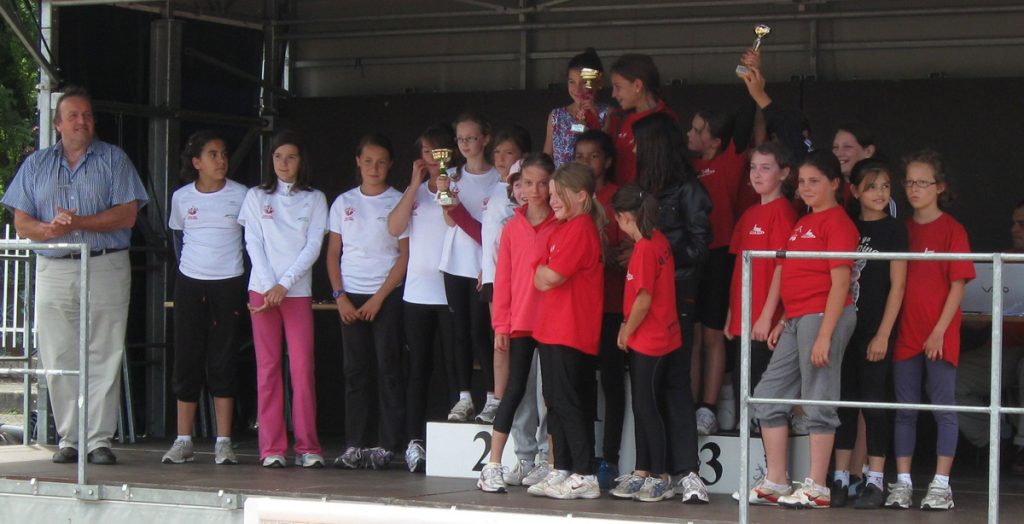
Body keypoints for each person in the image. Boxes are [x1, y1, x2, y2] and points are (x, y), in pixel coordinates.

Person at [2, 86, 148, 466]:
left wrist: (80, 222)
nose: (81, 121)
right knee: (58, 352)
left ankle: (98, 440)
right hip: (54, 265)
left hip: (105, 262)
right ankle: (70, 437)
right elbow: (20, 219)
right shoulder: (36, 165)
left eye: (86, 114)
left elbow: (128, 214)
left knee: (104, 350)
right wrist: (48, 230)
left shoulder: (114, 160)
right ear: (57, 124)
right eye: (73, 115)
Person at [748, 149, 859, 509]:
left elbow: (840, 283)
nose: (807, 188)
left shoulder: (838, 222)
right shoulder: (802, 222)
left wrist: (825, 334)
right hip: (797, 318)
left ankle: (817, 485)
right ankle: (776, 480)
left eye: (816, 181)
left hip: (823, 315)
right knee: (767, 396)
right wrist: (782, 319)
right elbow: (792, 274)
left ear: (835, 184)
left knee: (818, 397)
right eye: (803, 182)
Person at [886, 149, 975, 511]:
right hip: (906, 330)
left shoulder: (953, 229)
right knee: (904, 409)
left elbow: (958, 284)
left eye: (922, 182)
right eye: (909, 182)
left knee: (944, 408)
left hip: (940, 331)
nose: (914, 189)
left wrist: (940, 329)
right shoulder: (901, 228)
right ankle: (903, 482)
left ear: (939, 187)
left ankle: (941, 485)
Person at [631, 111, 712, 503]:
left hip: (677, 297)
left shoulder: (690, 190)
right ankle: (650, 471)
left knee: (675, 385)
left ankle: (688, 472)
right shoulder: (645, 188)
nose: (632, 150)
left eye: (638, 144)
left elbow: (700, 249)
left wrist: (659, 244)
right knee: (646, 390)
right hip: (647, 300)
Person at [237, 130, 328, 468]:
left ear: (300, 160)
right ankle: (272, 447)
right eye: (277, 157)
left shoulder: (315, 198)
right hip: (262, 289)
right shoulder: (256, 196)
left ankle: (308, 447)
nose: (284, 163)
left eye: (290, 157)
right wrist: (268, 285)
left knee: (302, 369)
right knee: (268, 368)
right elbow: (253, 243)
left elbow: (313, 247)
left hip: (296, 292)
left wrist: (284, 285)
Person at [161, 130, 247, 466]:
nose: (221, 160)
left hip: (229, 283)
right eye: (213, 154)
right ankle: (183, 439)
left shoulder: (242, 195)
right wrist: (188, 272)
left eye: (224, 153)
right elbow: (178, 240)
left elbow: (252, 241)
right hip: (190, 283)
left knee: (222, 358)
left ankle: (223, 441)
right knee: (187, 357)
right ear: (196, 162)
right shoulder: (181, 197)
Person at [328, 134, 409, 470]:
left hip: (386, 296)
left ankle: (388, 445)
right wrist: (340, 297)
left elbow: (405, 255)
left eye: (381, 161)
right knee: (355, 372)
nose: (374, 168)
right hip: (350, 298)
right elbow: (333, 255)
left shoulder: (399, 199)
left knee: (389, 370)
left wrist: (380, 297)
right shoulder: (342, 202)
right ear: (357, 162)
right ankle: (355, 444)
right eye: (368, 161)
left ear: (390, 165)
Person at [478, 153, 558, 493]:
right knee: (513, 392)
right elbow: (503, 279)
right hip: (522, 322)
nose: (535, 190)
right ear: (518, 187)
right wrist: (501, 324)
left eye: (542, 183)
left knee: (551, 395)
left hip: (555, 324)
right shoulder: (512, 227)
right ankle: (493, 465)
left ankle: (551, 464)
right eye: (528, 183)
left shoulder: (563, 223)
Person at [832, 159, 908, 509]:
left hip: (876, 328)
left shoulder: (894, 229)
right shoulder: (845, 224)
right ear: (856, 190)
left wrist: (883, 333)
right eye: (873, 186)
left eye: (886, 186)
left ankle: (875, 478)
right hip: (846, 325)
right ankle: (841, 477)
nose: (880, 193)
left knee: (874, 403)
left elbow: (898, 285)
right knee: (845, 402)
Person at [529, 162, 605, 500]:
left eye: (560, 194)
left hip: (570, 330)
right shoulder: (562, 228)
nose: (552, 199)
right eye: (553, 193)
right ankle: (562, 467)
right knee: (554, 401)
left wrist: (546, 273)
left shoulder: (581, 228)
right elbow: (538, 275)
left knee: (569, 401)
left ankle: (585, 473)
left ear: (582, 196)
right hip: (551, 330)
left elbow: (551, 277)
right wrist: (545, 273)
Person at [388, 124, 457, 473]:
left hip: (451, 292)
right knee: (417, 370)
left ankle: (453, 441)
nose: (430, 159)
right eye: (426, 152)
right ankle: (413, 440)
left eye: (436, 152)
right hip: (416, 294)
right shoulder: (413, 191)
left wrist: (444, 187)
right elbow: (393, 227)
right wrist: (415, 186)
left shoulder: (456, 185)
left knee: (453, 369)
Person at [607, 185, 681, 503]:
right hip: (656, 335)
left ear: (625, 217)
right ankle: (642, 471)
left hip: (651, 339)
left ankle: (661, 475)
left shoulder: (646, 248)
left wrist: (626, 328)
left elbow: (643, 297)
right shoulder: (656, 241)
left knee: (646, 407)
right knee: (643, 406)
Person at [724, 142, 798, 423]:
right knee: (741, 384)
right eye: (753, 168)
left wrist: (768, 315)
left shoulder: (783, 211)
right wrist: (732, 312)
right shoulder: (749, 214)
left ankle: (761, 456)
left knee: (761, 386)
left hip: (763, 319)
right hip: (743, 316)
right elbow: (739, 267)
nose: (757, 174)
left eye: (766, 168)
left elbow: (783, 267)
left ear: (784, 173)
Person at [687, 107, 749, 436]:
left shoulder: (731, 161)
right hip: (692, 254)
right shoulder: (689, 166)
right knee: (692, 333)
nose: (690, 135)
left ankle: (708, 408)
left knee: (713, 334)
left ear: (716, 140)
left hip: (721, 254)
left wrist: (752, 81)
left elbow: (748, 122)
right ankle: (690, 403)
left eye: (698, 130)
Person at [438, 112, 501, 423]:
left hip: (483, 265)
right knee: (459, 331)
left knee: (481, 332)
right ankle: (463, 397)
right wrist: (445, 196)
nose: (465, 144)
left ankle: (491, 396)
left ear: (485, 139)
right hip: (454, 262)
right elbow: (448, 220)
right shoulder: (450, 175)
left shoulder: (498, 178)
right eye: (460, 138)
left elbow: (491, 230)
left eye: (471, 138)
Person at [956, 198, 1024, 476]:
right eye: (1014, 223)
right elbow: (976, 321)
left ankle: (1023, 445)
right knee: (951, 380)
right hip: (1000, 349)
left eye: (1022, 224)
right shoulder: (1002, 259)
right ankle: (998, 441)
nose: (1015, 229)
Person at [574, 129, 626, 485]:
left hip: (611, 304)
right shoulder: (572, 199)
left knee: (611, 383)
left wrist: (605, 253)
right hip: (578, 309)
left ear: (607, 161)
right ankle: (580, 457)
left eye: (593, 156)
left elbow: (629, 248)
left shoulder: (617, 196)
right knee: (578, 384)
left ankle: (610, 457)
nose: (587, 163)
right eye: (580, 156)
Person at [483, 125, 530, 421]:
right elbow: (486, 237)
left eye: (508, 153)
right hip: (492, 276)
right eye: (497, 153)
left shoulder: (527, 194)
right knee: (500, 339)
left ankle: (520, 399)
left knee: (521, 341)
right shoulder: (491, 191)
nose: (501, 159)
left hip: (520, 279)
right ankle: (498, 398)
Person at [607, 54, 676, 186]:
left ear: (637, 85)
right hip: (621, 202)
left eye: (618, 87)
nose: (613, 94)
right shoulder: (617, 118)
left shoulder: (666, 121)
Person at [543, 48, 611, 167]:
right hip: (561, 183)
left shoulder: (607, 113)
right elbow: (547, 156)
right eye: (572, 82)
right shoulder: (556, 116)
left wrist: (595, 116)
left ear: (599, 82)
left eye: (584, 83)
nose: (577, 89)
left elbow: (608, 151)